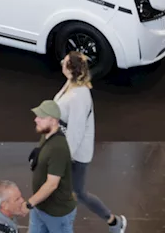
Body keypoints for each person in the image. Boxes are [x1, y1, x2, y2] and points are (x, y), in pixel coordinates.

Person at [54, 52, 127, 233]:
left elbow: (76, 131)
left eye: (65, 62)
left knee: (75, 193)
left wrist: (65, 158)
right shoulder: (72, 85)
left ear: (70, 69)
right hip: (67, 148)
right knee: (74, 192)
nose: (62, 63)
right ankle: (113, 222)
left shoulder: (79, 96)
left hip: (76, 154)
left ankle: (114, 222)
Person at [24, 100, 76, 232]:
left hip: (57, 214)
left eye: (41, 117)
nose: (36, 120)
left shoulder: (58, 147)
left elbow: (52, 184)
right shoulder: (47, 136)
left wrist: (29, 203)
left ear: (53, 121)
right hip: (40, 207)